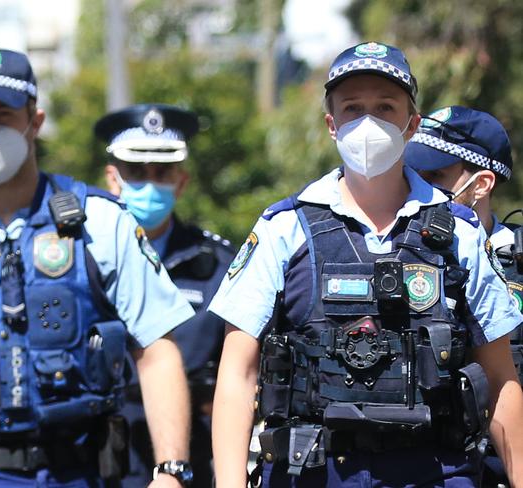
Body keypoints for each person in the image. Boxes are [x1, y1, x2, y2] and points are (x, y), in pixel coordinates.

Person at [0, 47, 196, 488]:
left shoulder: (102, 223)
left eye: (1, 114)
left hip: (79, 472)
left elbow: (158, 351)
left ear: (34, 121)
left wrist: (171, 471)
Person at [208, 41, 523, 487]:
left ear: (411, 124)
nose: (368, 122)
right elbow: (237, 373)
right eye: (353, 108)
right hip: (314, 472)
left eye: (385, 107)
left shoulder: (462, 234)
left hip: (433, 471)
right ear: (332, 125)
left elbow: (500, 379)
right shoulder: (286, 227)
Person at [95, 104, 235, 488]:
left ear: (182, 182)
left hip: (194, 460)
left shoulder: (219, 264)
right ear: (113, 178)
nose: (150, 184)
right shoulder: (83, 259)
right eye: (136, 173)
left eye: (162, 174)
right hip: (98, 458)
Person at [403, 105, 522, 488]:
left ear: (482, 184)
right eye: (413, 173)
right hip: (434, 469)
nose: (419, 185)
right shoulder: (398, 253)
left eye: (436, 175)